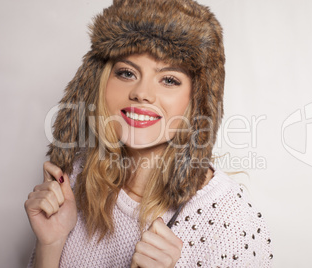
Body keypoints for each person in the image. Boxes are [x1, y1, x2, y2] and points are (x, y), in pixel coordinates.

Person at [24, 0, 273, 267]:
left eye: (168, 79)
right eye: (127, 73)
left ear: (197, 100)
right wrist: (50, 244)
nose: (141, 93)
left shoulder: (228, 217)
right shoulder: (74, 178)